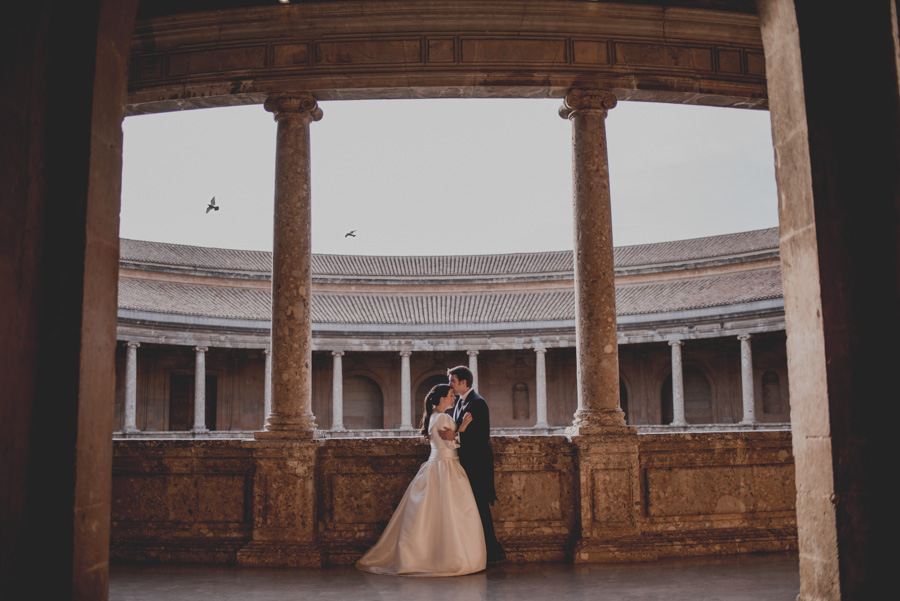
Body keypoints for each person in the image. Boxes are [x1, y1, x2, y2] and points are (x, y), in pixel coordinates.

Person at [356, 384, 486, 577]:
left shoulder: (433, 416)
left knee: (431, 515)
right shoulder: (443, 417)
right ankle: (450, 557)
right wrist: (463, 429)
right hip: (447, 465)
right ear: (442, 398)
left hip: (435, 465)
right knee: (450, 512)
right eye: (451, 396)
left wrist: (459, 429)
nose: (453, 399)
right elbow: (450, 443)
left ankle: (427, 554)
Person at [439, 365, 506, 564]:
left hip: (477, 466)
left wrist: (456, 434)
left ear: (463, 383)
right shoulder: (461, 402)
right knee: (472, 509)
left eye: (452, 380)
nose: (449, 384)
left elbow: (480, 437)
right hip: (466, 465)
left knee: (481, 508)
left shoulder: (478, 403)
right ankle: (481, 550)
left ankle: (493, 551)